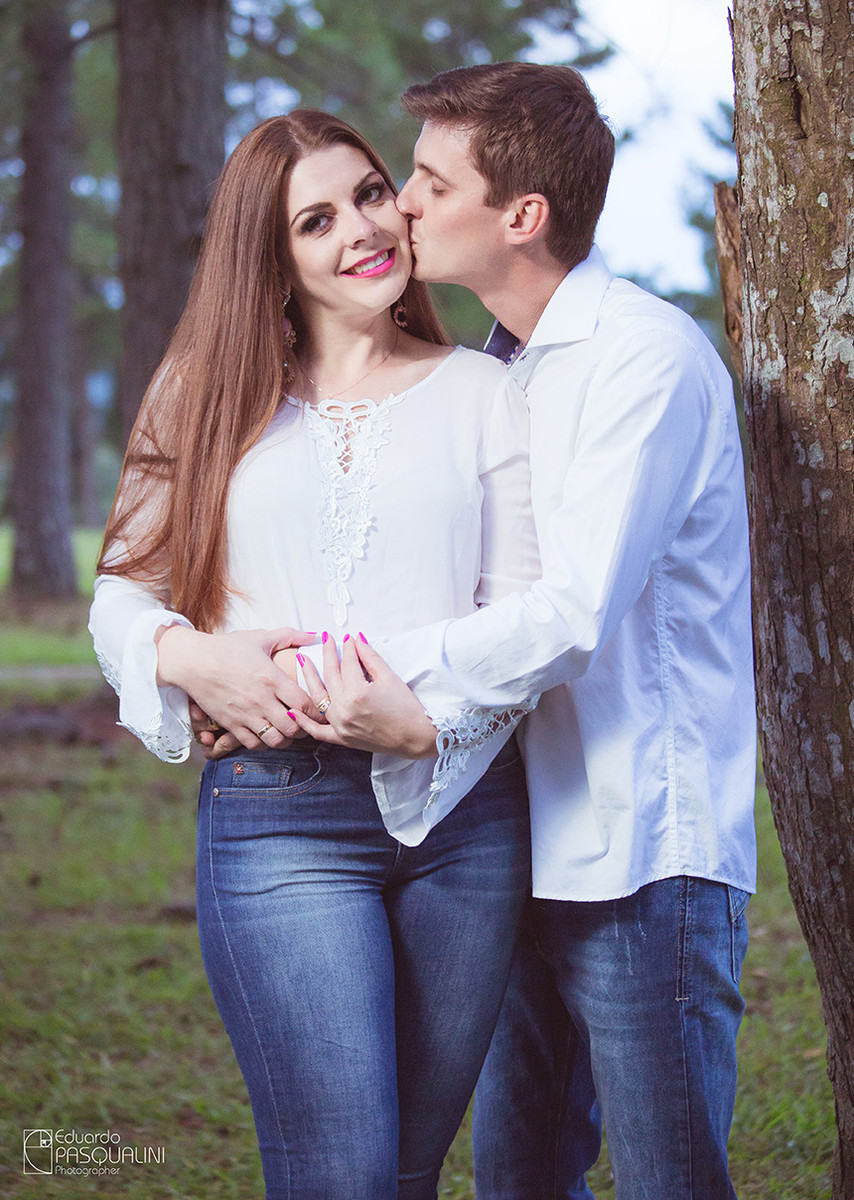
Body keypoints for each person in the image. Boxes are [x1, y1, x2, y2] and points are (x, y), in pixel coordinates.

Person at [285, 64, 757, 1200]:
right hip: (515, 842)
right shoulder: (501, 365)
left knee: (667, 1182)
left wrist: (380, 675)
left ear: (520, 216)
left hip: (643, 852)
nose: (397, 202)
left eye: (429, 182)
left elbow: (571, 614)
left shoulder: (639, 359)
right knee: (516, 1175)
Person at [89, 109, 543, 1200]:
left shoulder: (487, 395)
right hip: (276, 812)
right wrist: (197, 665)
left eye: (374, 194)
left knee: (401, 1173)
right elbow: (120, 595)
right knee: (336, 1173)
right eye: (316, 219)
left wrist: (430, 726)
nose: (362, 230)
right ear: (271, 255)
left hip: (462, 823)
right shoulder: (202, 396)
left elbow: (525, 619)